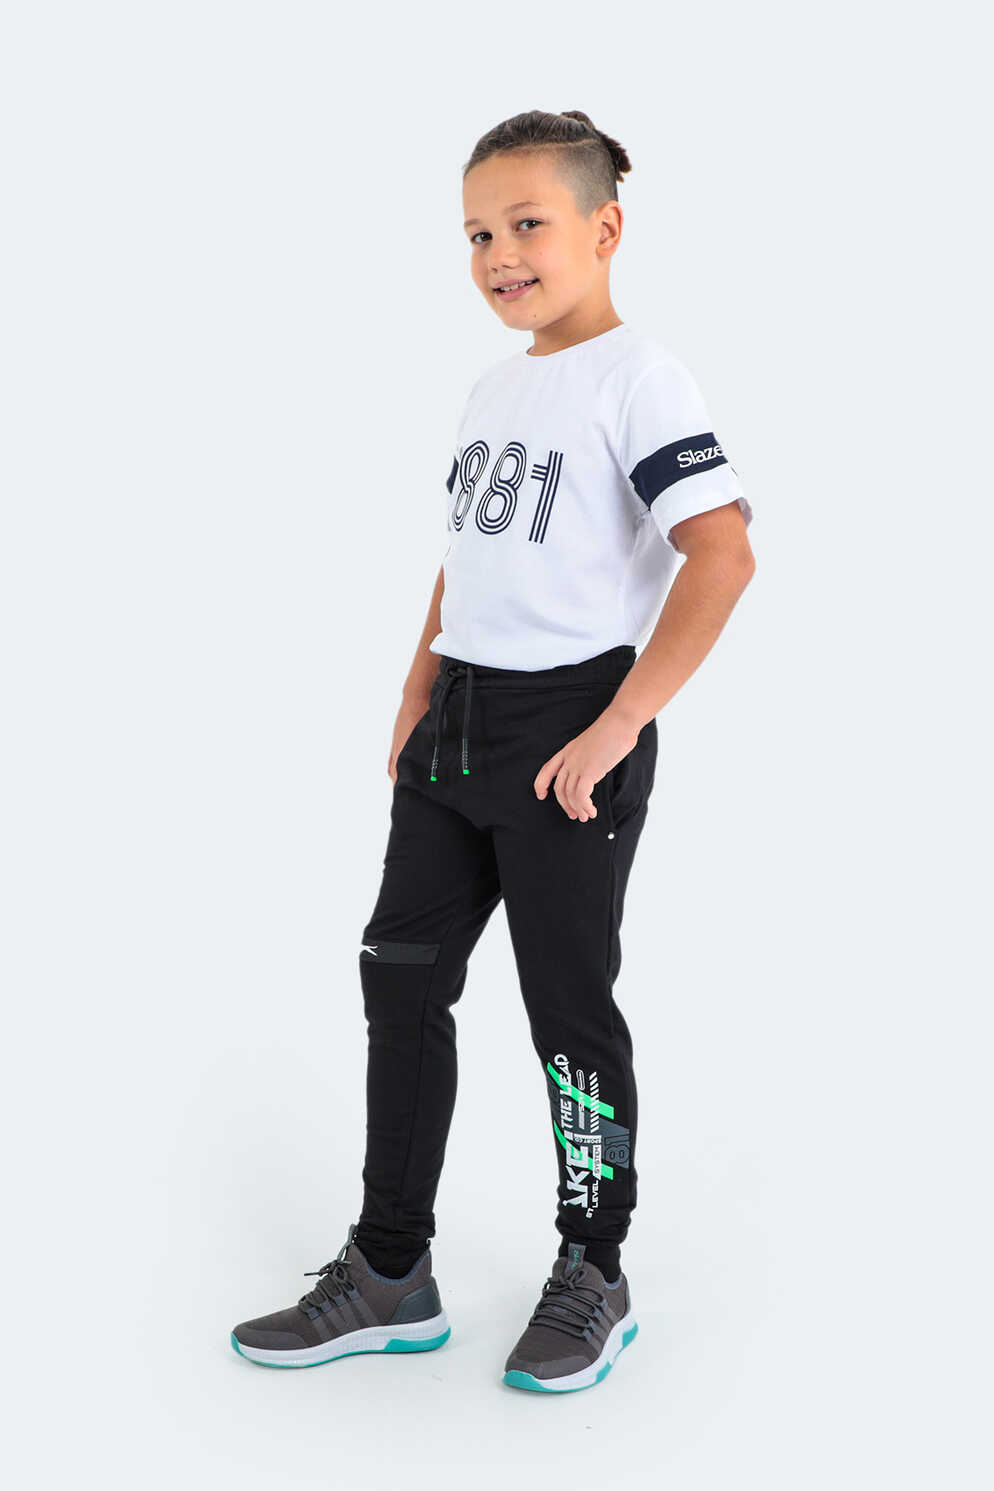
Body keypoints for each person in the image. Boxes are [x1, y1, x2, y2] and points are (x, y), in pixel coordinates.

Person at [231, 108, 755, 1394]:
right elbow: (469, 550)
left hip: (567, 729)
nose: (499, 254)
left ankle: (594, 1267)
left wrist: (618, 725)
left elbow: (723, 551)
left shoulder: (640, 377)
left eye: (527, 224)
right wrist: (417, 687)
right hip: (456, 725)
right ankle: (389, 1269)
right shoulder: (495, 386)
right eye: (476, 233)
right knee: (400, 981)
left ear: (603, 227)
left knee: (567, 1013)